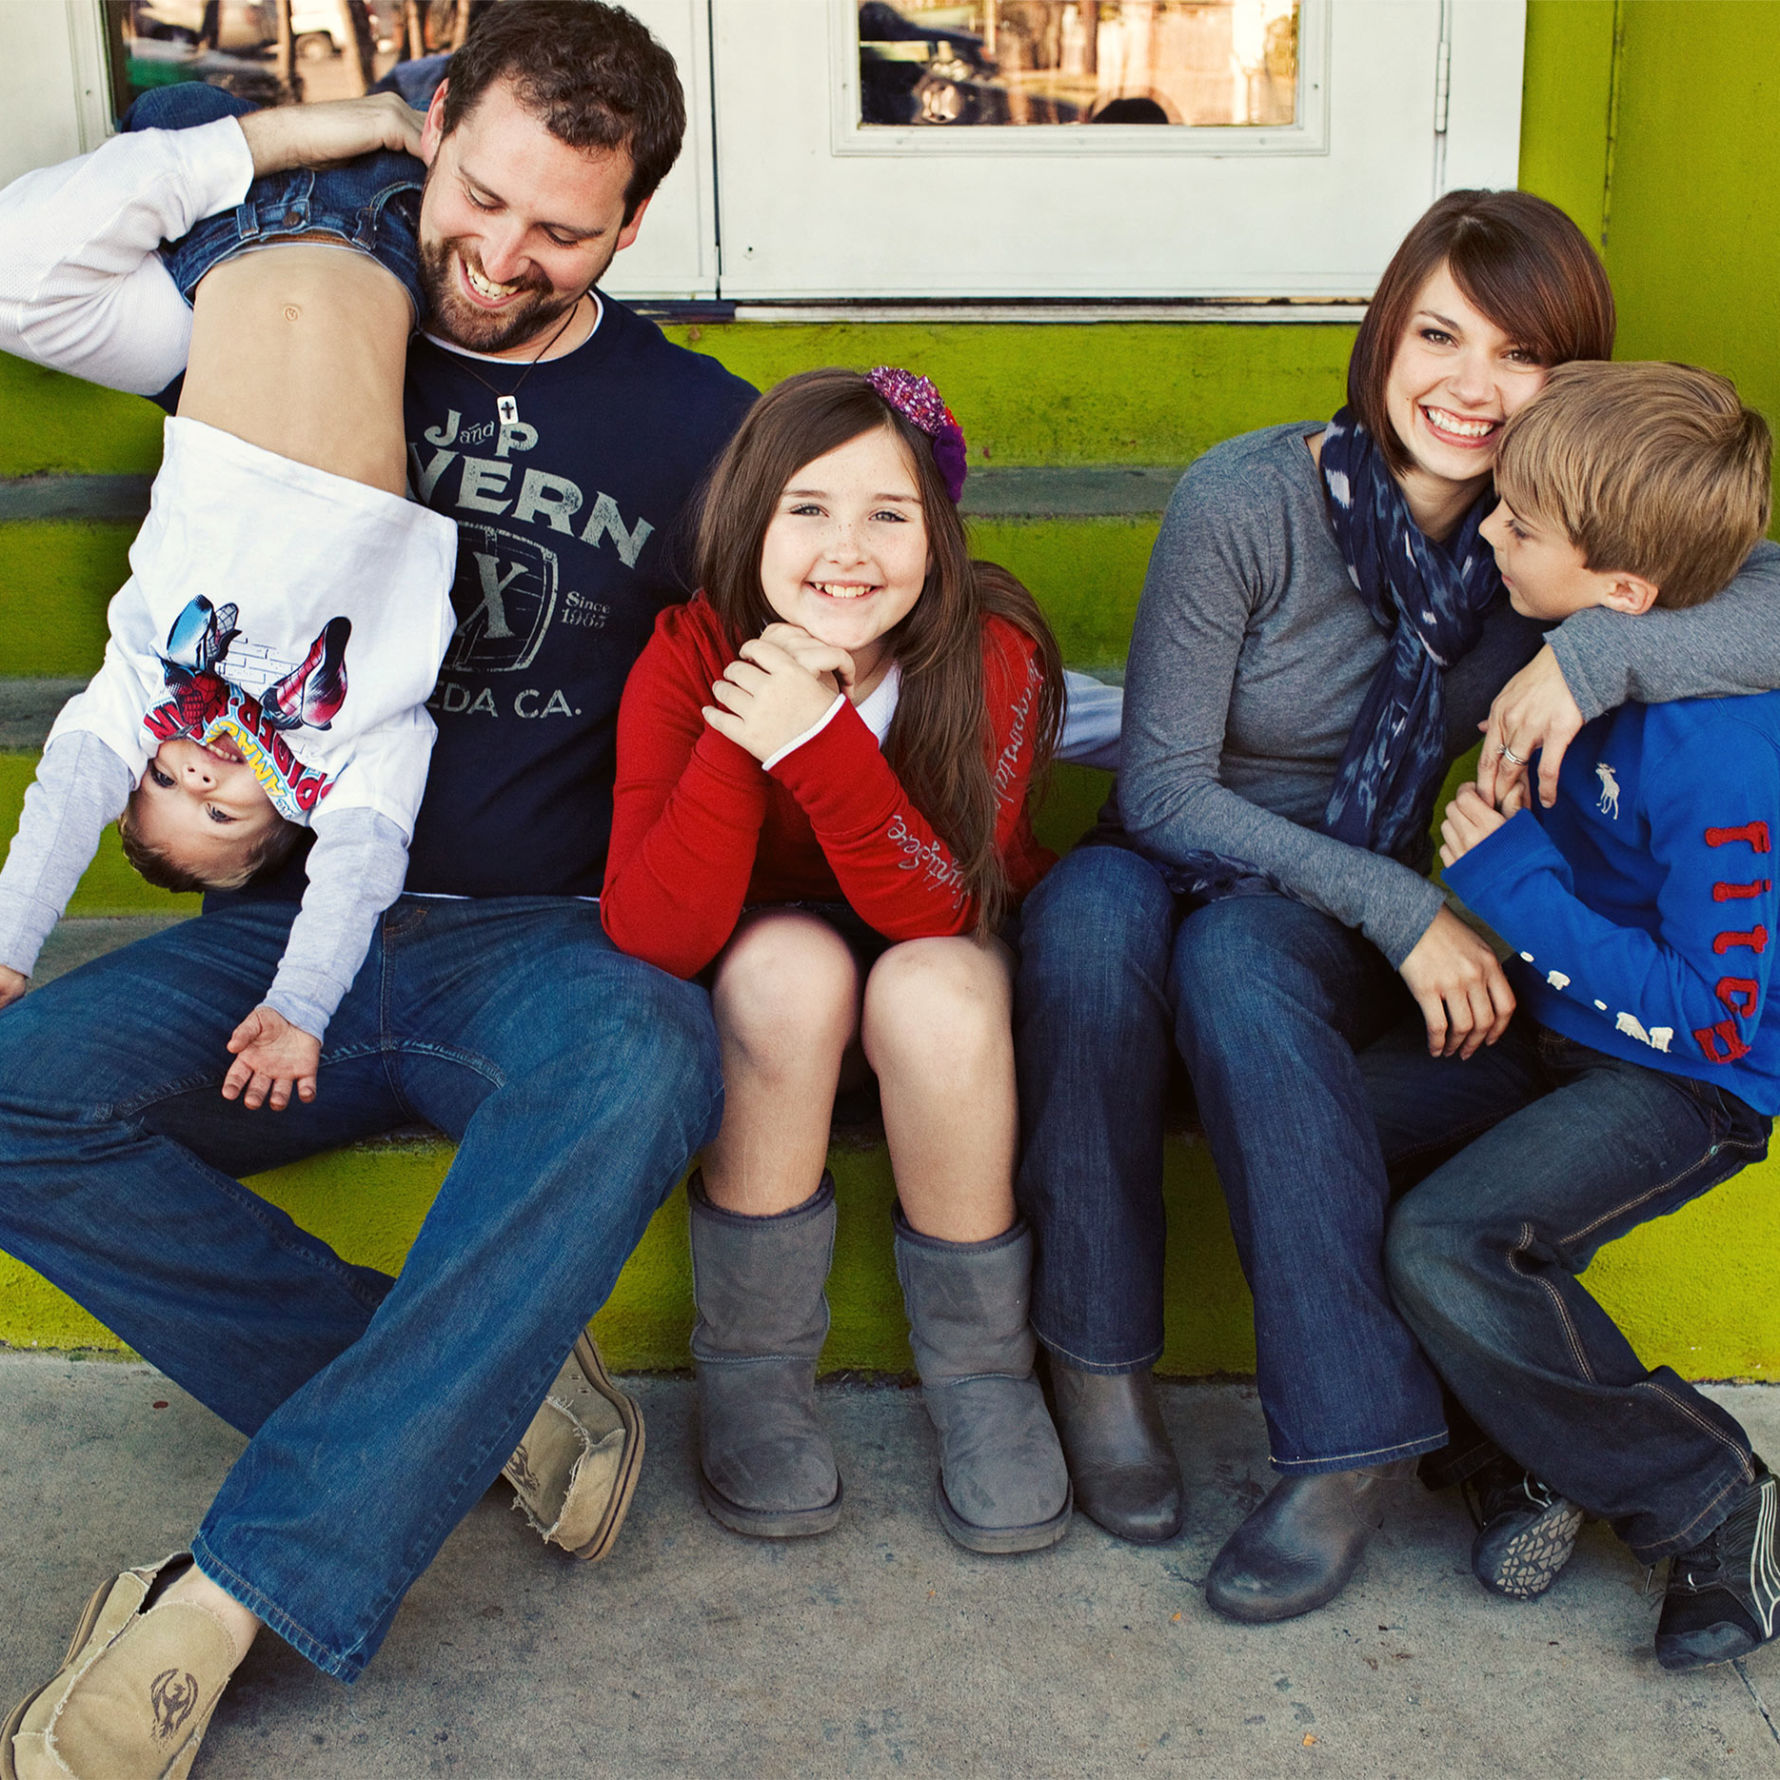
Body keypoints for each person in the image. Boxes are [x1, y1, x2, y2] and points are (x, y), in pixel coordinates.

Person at [0, 4, 758, 1772]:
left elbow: (852, 619)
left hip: (538, 947)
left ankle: (224, 1599)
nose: (500, 256)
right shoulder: (277, 313)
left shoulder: (694, 426)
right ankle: (472, 1394)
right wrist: (302, 135)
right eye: (478, 195)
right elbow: (23, 267)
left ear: (633, 225)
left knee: (651, 1055)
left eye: (561, 229)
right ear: (429, 140)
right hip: (288, 949)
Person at [1012, 187, 1780, 1619]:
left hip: (1320, 925)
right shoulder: (1251, 500)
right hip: (1208, 851)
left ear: (1569, 385)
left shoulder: (1549, 537)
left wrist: (1594, 659)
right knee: (1084, 923)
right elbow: (1164, 789)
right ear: (1383, 334)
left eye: (1519, 354)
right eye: (1439, 335)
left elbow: (1751, 597)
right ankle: (1097, 1372)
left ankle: (1346, 1448)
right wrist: (1413, 904)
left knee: (1242, 959)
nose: (1471, 385)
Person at [600, 367, 1074, 1554]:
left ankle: (982, 1375)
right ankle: (754, 1372)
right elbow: (655, 931)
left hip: (939, 967)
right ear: (749, 518)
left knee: (934, 988)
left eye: (888, 514)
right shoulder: (689, 651)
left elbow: (945, 907)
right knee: (785, 970)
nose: (846, 550)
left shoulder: (993, 649)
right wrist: (745, 728)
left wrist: (815, 741)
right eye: (806, 508)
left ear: (937, 534)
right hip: (776, 994)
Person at [1368, 360, 1778, 1672]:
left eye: (1522, 523)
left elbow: (1714, 1015)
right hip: (1553, 1029)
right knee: (1322, 1127)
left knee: (1454, 1239)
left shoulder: (1726, 758)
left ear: (1625, 591)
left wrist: (1512, 885)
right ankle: (1522, 1453)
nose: (1489, 528)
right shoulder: (1587, 656)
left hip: (1689, 1080)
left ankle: (1708, 1496)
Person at [0, 130, 457, 1114]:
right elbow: (356, 875)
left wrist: (9, 944)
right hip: (389, 232)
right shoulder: (351, 749)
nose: (196, 776)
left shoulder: (143, 683)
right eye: (217, 811)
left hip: (230, 232)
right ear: (289, 820)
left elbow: (66, 798)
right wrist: (298, 1006)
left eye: (161, 781)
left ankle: (302, 117)